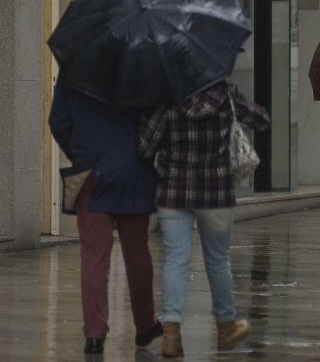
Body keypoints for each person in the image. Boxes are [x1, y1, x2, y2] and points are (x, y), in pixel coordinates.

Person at [138, 81, 270, 357]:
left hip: (174, 190)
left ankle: (172, 335)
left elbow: (146, 145)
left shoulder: (167, 95)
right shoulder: (225, 92)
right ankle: (225, 327)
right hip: (216, 191)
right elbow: (261, 120)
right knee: (218, 261)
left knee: (175, 259)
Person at [48, 81, 162, 355]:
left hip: (91, 175)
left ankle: (95, 334)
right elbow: (156, 126)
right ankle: (145, 325)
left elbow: (59, 121)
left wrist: (81, 152)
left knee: (94, 256)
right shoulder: (142, 67)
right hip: (133, 175)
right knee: (138, 255)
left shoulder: (76, 67)